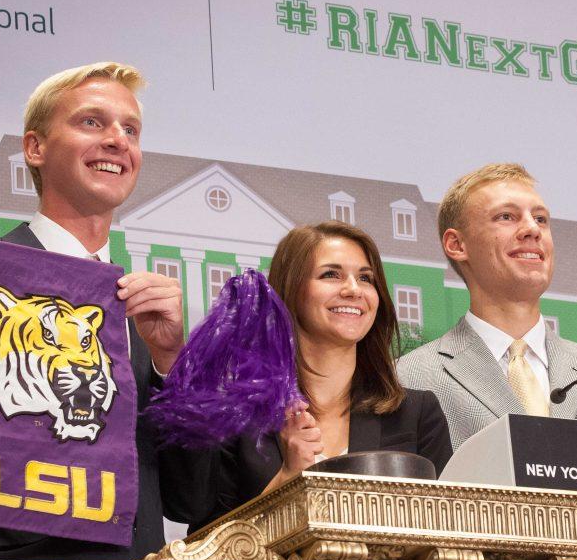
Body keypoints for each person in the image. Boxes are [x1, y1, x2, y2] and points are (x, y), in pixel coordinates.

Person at [0, 62, 211, 560]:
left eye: (130, 129)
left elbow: (191, 502)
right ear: (35, 147)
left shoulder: (140, 315)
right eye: (92, 122)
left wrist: (171, 364)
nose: (118, 140)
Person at [189, 221, 452, 529]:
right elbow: (207, 547)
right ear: (291, 290)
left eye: (366, 278)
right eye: (331, 274)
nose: (353, 290)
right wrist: (287, 479)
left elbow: (445, 534)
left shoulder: (418, 415)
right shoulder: (232, 414)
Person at [397, 163, 577, 450]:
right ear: (457, 244)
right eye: (506, 216)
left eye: (540, 219)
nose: (531, 229)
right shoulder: (408, 378)